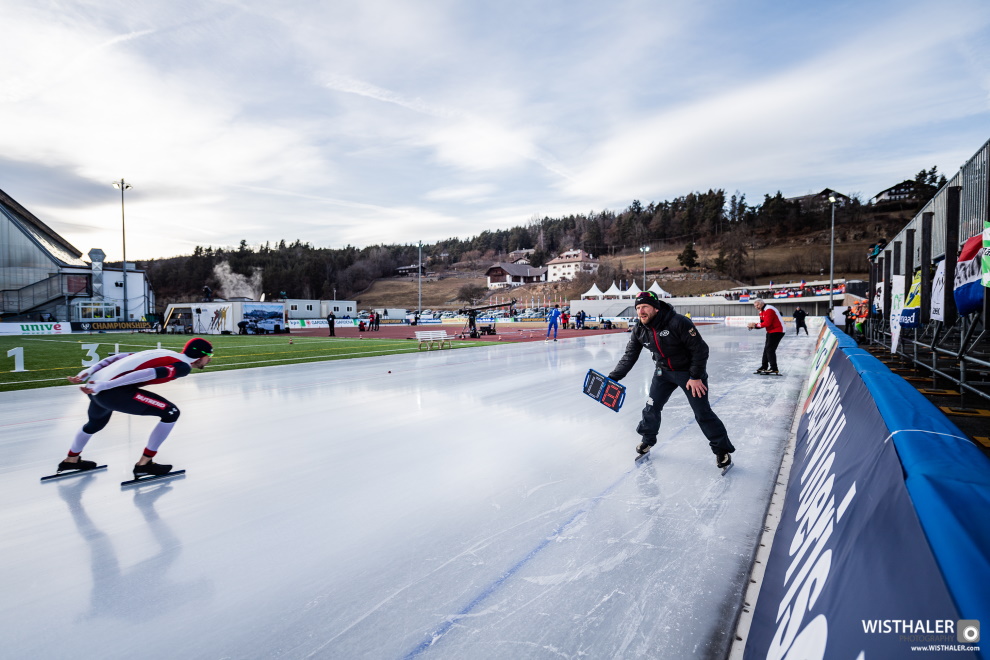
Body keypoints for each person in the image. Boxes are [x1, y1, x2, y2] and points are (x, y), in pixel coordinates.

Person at [607, 291, 735, 470]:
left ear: (656, 308)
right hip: (663, 372)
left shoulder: (678, 322)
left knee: (702, 413)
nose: (640, 311)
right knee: (651, 406)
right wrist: (614, 377)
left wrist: (696, 376)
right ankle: (647, 440)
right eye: (637, 308)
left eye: (644, 307)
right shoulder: (640, 329)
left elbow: (700, 350)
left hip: (689, 373)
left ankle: (722, 451)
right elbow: (630, 355)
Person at [56, 337, 214, 478]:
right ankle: (144, 464)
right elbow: (147, 373)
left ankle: (71, 459)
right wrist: (107, 385)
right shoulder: (183, 366)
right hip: (109, 390)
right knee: (171, 412)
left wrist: (88, 372)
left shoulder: (164, 352)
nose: (210, 360)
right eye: (210, 356)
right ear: (201, 355)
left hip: (95, 387)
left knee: (95, 424)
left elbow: (119, 357)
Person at [748, 298, 785, 374]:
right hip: (770, 331)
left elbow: (767, 323)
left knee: (770, 349)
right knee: (766, 349)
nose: (756, 307)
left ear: (762, 303)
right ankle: (764, 366)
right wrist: (754, 326)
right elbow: (762, 324)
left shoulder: (769, 309)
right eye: (755, 306)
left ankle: (774, 368)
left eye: (758, 305)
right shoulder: (761, 312)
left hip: (778, 331)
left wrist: (755, 325)